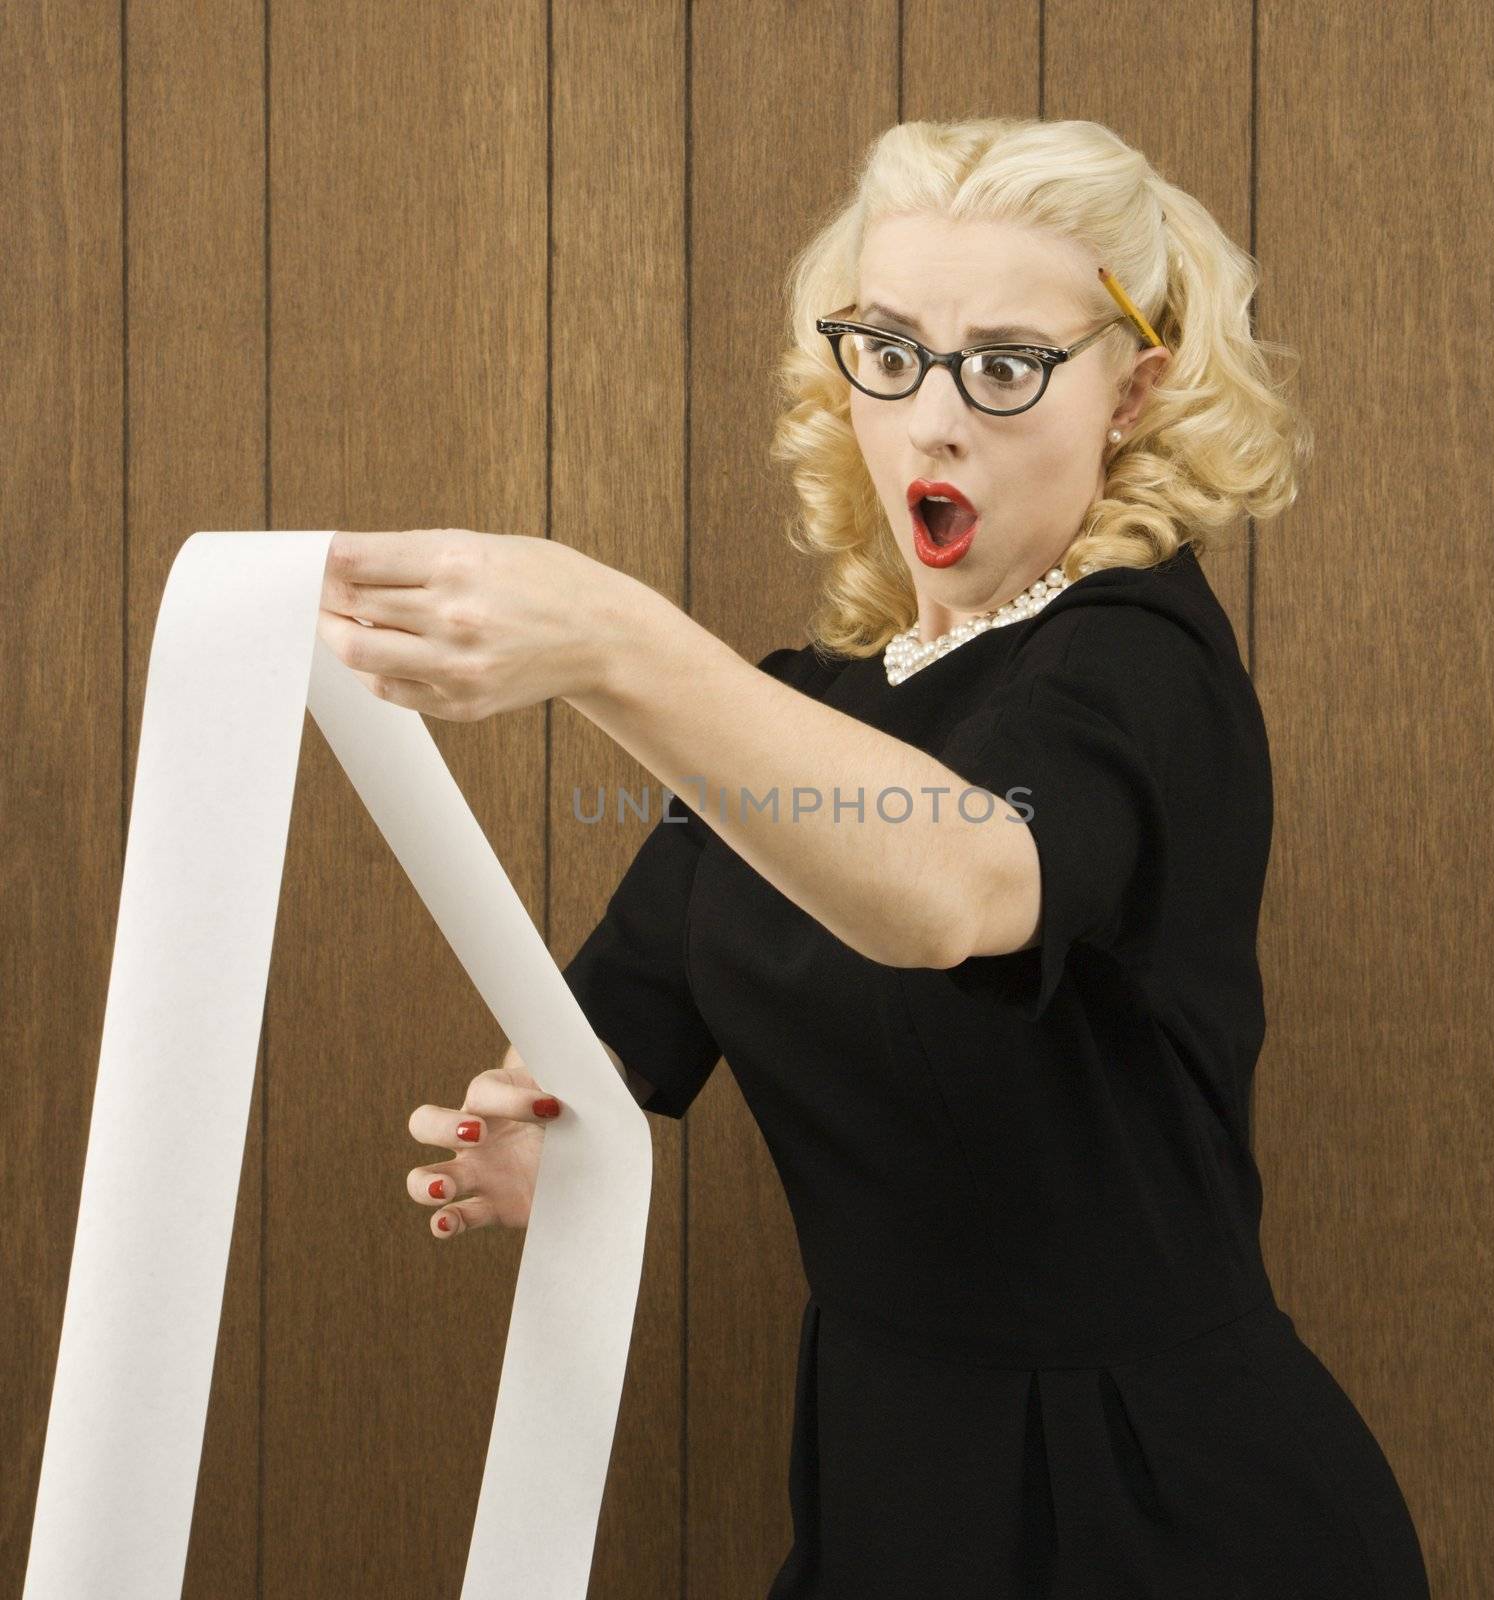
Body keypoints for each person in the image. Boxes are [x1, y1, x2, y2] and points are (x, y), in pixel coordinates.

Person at [361, 117, 1430, 1599]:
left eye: (1003, 366)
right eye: (890, 352)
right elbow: (607, 1037)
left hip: (1155, 1498)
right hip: (890, 1485)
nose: (933, 420)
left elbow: (950, 892)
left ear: (1135, 388)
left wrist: (609, 641)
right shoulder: (795, 714)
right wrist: (532, 1121)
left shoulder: (1144, 667)